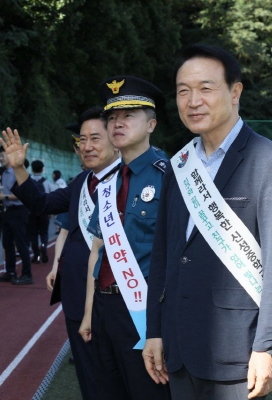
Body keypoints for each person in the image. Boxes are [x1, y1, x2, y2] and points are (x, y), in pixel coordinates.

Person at [143, 44, 272, 400]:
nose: (193, 100)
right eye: (183, 90)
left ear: (235, 92)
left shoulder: (269, 162)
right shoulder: (179, 165)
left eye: (205, 87)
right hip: (179, 347)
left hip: (238, 352)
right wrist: (154, 330)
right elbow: (164, 257)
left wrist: (270, 346)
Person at [1, 105, 121, 400]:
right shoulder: (83, 181)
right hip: (76, 296)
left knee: (115, 379)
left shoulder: (130, 179)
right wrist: (19, 168)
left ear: (116, 138)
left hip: (116, 301)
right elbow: (41, 204)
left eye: (95, 138)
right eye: (82, 140)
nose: (86, 146)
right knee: (89, 377)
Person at [75, 76, 170, 400]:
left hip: (144, 313)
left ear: (151, 124)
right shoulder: (107, 184)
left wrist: (160, 326)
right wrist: (90, 313)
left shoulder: (170, 177)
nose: (117, 123)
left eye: (128, 115)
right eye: (112, 117)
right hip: (105, 309)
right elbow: (98, 253)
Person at [0, 146, 34, 285]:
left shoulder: (18, 172)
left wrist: (3, 196)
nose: (1, 158)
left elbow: (22, 192)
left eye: (3, 155)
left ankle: (27, 274)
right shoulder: (4, 173)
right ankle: (10, 271)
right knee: (7, 242)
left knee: (21, 243)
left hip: (19, 210)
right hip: (8, 210)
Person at [28, 160, 54, 264]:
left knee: (33, 234)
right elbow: (51, 196)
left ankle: (36, 255)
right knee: (44, 232)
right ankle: (43, 245)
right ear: (42, 169)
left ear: (32, 169)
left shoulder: (29, 182)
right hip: (44, 211)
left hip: (32, 212)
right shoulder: (47, 183)